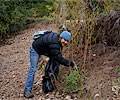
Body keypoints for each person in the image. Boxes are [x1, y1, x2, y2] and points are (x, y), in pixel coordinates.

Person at [24, 31, 75, 98]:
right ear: (61, 37)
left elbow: (56, 56)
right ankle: (27, 90)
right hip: (35, 49)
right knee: (33, 69)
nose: (65, 42)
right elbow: (59, 59)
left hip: (44, 49)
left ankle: (51, 83)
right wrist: (71, 63)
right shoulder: (54, 43)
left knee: (54, 62)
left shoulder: (57, 40)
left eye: (67, 41)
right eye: (65, 40)